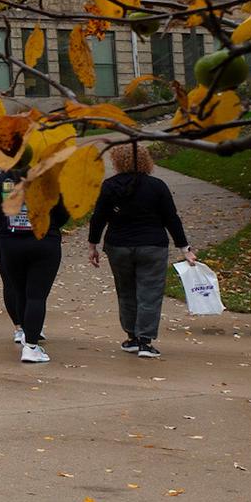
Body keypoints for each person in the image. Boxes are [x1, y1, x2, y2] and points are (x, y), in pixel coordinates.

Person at [87, 143, 193, 359]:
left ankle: (131, 337)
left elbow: (99, 217)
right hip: (152, 245)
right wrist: (184, 248)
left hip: (118, 245)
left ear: (117, 161)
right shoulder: (157, 186)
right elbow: (171, 219)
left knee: (125, 290)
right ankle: (145, 341)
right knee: (150, 293)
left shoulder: (110, 186)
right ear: (146, 161)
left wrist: (93, 245)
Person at [0, 156, 70, 364]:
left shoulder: (2, 180)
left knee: (20, 290)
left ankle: (23, 332)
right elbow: (63, 211)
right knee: (36, 296)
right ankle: (31, 345)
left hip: (11, 242)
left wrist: (5, 226)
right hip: (43, 241)